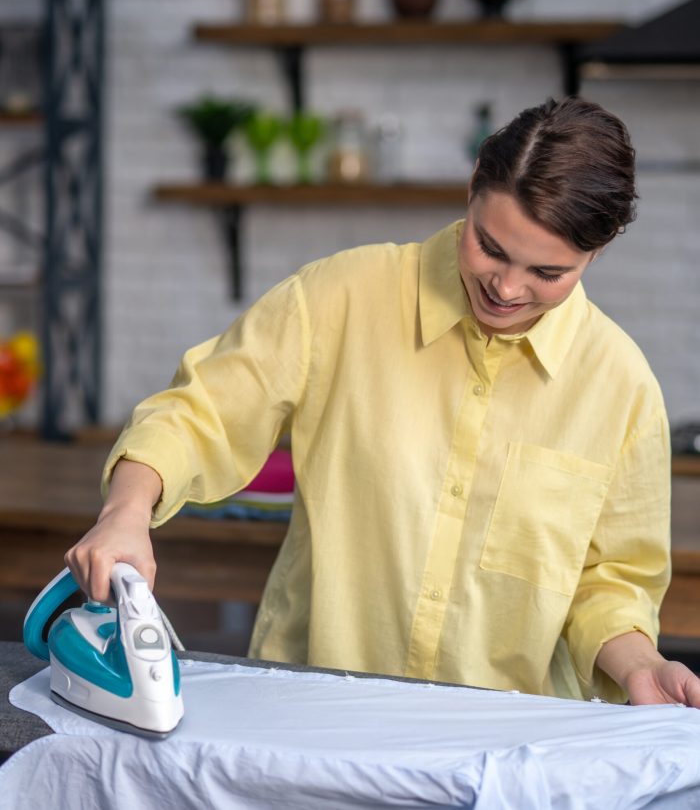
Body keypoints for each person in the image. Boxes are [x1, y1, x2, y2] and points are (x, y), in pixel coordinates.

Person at [66, 96, 700, 708]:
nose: (506, 288)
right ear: (475, 182)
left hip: (509, 740)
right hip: (312, 711)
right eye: (491, 247)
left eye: (548, 274)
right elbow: (198, 414)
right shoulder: (336, 298)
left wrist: (643, 664)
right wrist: (125, 511)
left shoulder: (623, 387)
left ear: (600, 248)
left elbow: (609, 584)